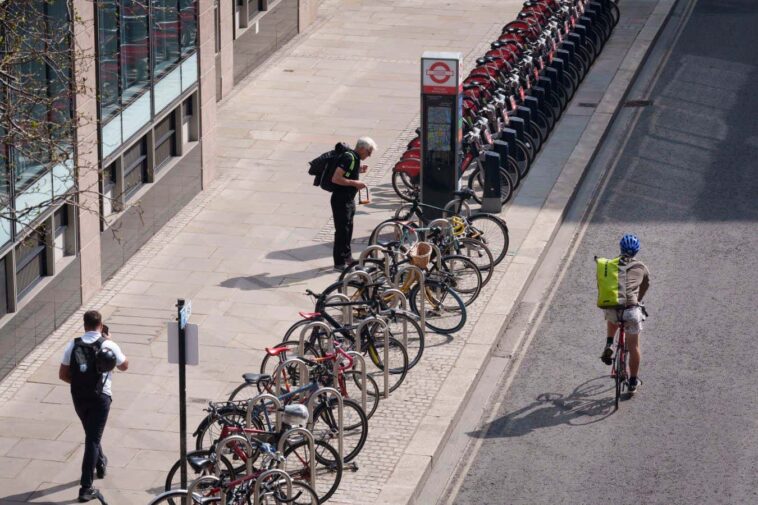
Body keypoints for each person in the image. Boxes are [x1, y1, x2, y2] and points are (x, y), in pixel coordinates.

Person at [59, 310, 128, 502]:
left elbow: (63, 374)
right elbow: (125, 365)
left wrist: (80, 384)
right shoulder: (108, 344)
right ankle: (86, 487)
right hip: (101, 397)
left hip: (79, 397)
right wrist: (110, 343)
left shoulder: (73, 344)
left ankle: (100, 463)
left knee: (92, 435)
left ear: (84, 325)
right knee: (92, 440)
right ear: (101, 324)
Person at [600, 233, 650, 393]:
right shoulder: (641, 267)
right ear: (636, 251)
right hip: (631, 311)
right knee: (634, 346)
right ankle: (633, 382)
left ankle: (609, 344)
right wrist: (638, 300)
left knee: (612, 316)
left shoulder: (610, 265)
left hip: (614, 309)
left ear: (620, 249)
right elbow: (645, 286)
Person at [330, 136, 377, 271]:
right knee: (341, 231)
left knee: (348, 228)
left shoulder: (355, 159)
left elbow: (348, 174)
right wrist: (355, 183)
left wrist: (359, 170)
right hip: (341, 200)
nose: (369, 155)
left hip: (349, 199)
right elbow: (336, 178)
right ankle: (339, 263)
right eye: (369, 152)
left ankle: (347, 257)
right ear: (362, 149)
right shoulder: (349, 158)